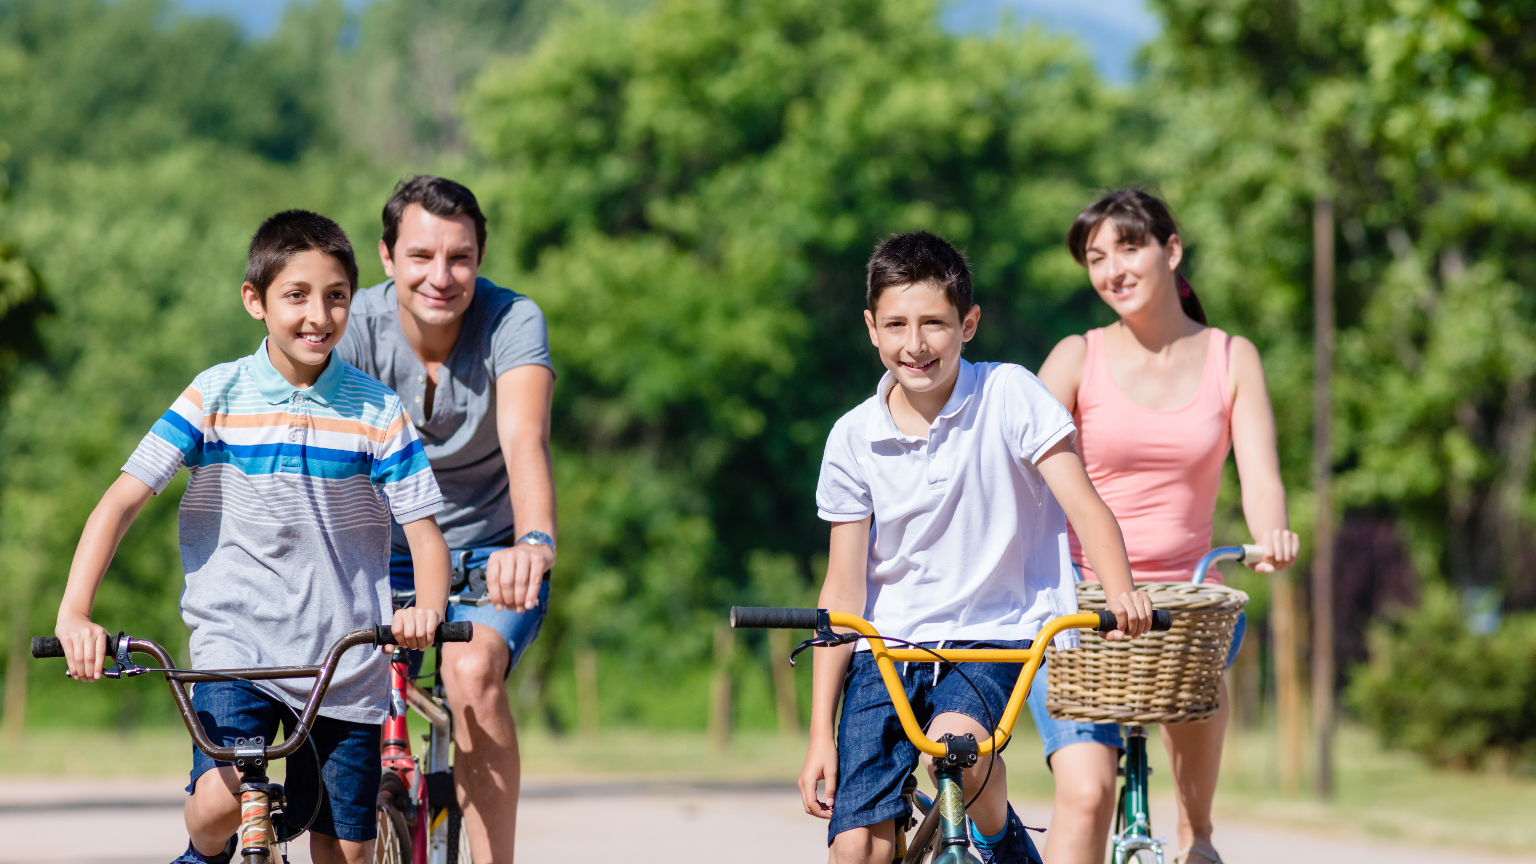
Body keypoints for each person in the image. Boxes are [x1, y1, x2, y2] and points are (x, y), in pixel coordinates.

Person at [52, 210, 452, 864]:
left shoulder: (377, 411)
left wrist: (426, 611)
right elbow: (121, 502)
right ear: (255, 301)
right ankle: (204, 854)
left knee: (345, 853)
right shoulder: (214, 395)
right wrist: (75, 612)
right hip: (236, 648)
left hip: (343, 663)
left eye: (336, 296)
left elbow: (426, 536)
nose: (318, 315)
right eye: (296, 295)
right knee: (217, 803)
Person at [801, 231, 1154, 864]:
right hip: (887, 648)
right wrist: (819, 733)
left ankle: (997, 842)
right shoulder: (853, 436)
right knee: (856, 850)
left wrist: (1121, 591)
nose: (915, 344)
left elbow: (1085, 505)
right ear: (871, 329)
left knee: (958, 754)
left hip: (993, 636)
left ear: (968, 324)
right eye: (896, 324)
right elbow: (843, 589)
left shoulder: (1009, 394)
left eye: (934, 323)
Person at [1030, 189, 1301, 864]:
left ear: (1171, 249)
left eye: (1128, 248)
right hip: (1081, 601)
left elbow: (1261, 477)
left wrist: (1271, 534)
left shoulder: (1231, 357)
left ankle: (1196, 833)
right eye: (1095, 257)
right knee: (1087, 795)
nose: (1111, 270)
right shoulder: (1077, 357)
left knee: (1207, 654)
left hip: (1186, 599)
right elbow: (1012, 467)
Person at [336, 175, 556, 861]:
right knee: (326, 686)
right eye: (421, 256)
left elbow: (524, 439)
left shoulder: (511, 321)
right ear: (386, 257)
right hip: (377, 553)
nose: (441, 276)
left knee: (470, 673)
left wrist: (534, 542)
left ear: (480, 258)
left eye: (459, 258)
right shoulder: (353, 328)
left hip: (489, 556)